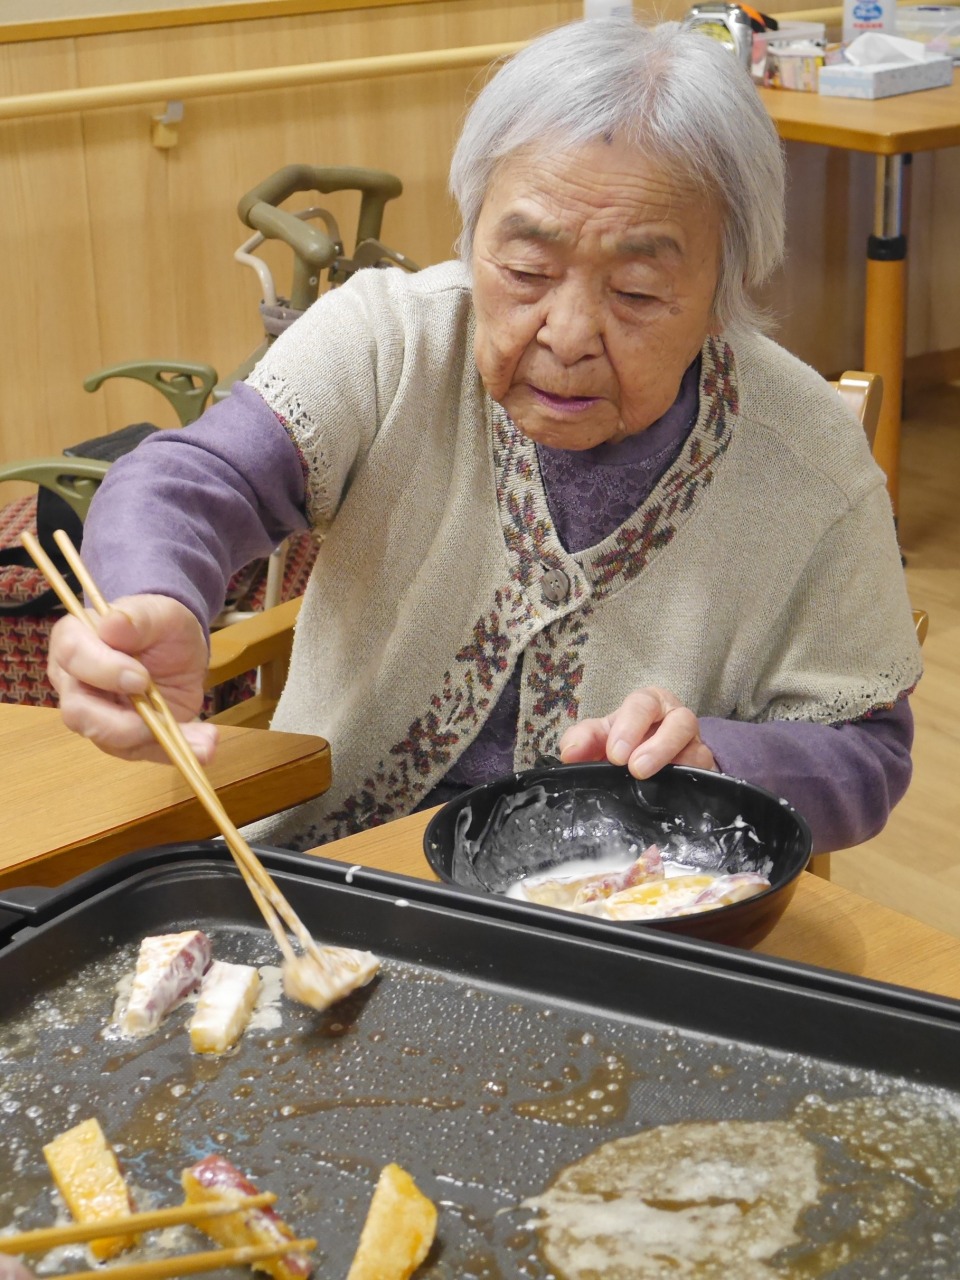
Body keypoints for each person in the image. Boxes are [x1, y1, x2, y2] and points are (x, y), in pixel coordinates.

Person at [48, 19, 921, 856]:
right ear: (471, 233)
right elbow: (195, 481)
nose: (568, 332)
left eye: (640, 293)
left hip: (620, 913)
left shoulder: (808, 460)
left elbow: (866, 749)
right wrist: (152, 596)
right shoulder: (392, 343)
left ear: (726, 286)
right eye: (527, 271)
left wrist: (721, 763)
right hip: (329, 865)